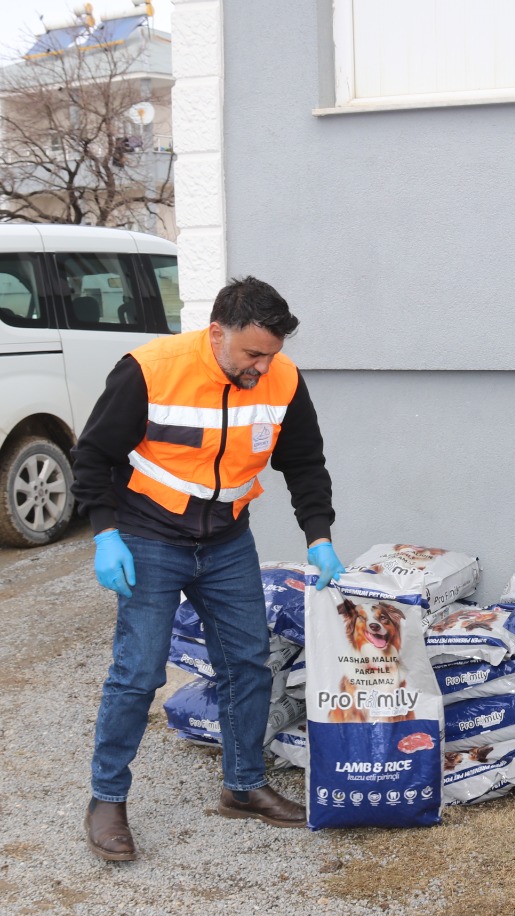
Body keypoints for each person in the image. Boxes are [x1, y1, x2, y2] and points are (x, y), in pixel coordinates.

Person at [72, 276, 346, 861]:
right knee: (138, 672)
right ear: (217, 332)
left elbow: (304, 462)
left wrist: (319, 536)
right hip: (149, 535)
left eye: (271, 354)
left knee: (247, 662)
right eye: (252, 353)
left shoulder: (282, 378)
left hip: (226, 539)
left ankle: (243, 786)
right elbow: (92, 453)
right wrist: (105, 534)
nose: (262, 367)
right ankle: (106, 800)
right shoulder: (150, 370)